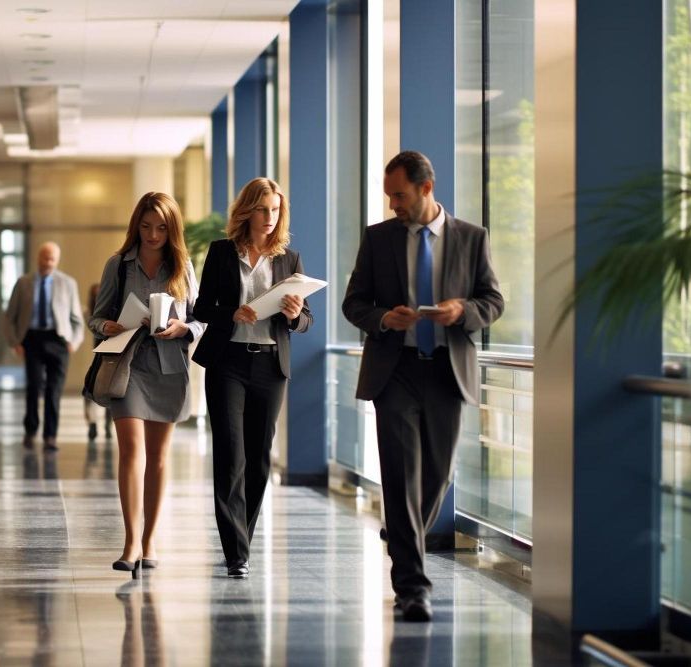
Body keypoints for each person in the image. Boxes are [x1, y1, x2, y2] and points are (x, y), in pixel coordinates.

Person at [342, 151, 504, 622]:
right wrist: (383, 319)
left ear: (426, 188)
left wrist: (462, 312)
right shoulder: (378, 239)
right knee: (398, 475)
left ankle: (402, 533)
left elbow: (492, 299)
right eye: (389, 194)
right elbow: (356, 302)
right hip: (396, 371)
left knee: (437, 473)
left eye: (400, 194)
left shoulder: (472, 238)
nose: (393, 203)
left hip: (446, 371)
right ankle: (412, 586)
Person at [192, 177, 313, 579]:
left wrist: (296, 315)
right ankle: (235, 553)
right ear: (247, 211)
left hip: (269, 367)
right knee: (230, 454)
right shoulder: (222, 253)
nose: (269, 217)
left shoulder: (288, 260)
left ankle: (243, 536)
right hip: (228, 363)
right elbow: (202, 307)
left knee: (259, 459)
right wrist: (232, 312)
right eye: (262, 209)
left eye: (275, 210)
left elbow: (306, 320)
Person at [90, 192, 204, 578]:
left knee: (157, 457)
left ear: (171, 229)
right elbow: (97, 316)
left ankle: (151, 540)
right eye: (145, 226)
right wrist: (108, 326)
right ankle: (130, 541)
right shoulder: (119, 265)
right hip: (128, 365)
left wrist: (183, 328)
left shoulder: (182, 266)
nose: (153, 234)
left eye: (160, 227)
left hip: (169, 367)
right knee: (131, 452)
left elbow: (201, 318)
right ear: (135, 226)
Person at [4, 242, 86, 451]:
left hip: (58, 341)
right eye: (45, 258)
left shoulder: (67, 283)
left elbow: (77, 318)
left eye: (52, 259)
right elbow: (9, 317)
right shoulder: (23, 283)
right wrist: (15, 342)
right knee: (33, 387)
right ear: (38, 258)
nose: (48, 262)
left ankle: (50, 436)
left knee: (54, 390)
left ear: (57, 260)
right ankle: (30, 431)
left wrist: (73, 342)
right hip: (32, 340)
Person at [82, 282, 113, 441]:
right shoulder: (91, 315)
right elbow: (91, 324)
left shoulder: (112, 312)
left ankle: (108, 425)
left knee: (110, 392)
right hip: (98, 356)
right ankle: (93, 423)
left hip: (111, 356)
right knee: (89, 392)